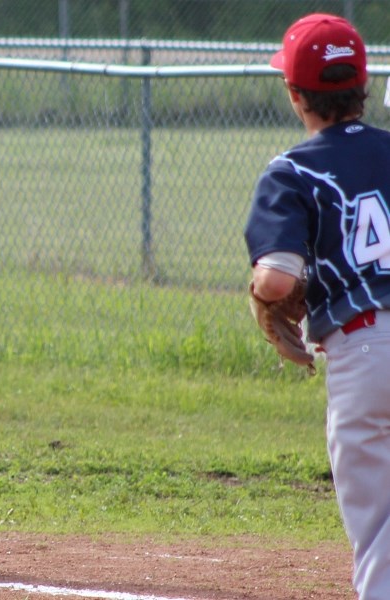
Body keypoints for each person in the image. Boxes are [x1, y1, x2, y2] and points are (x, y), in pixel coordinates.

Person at [244, 13, 390, 599]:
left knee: (379, 524)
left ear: (293, 92)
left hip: (365, 351)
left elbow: (279, 277)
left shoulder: (290, 172)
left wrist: (261, 295)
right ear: (364, 85)